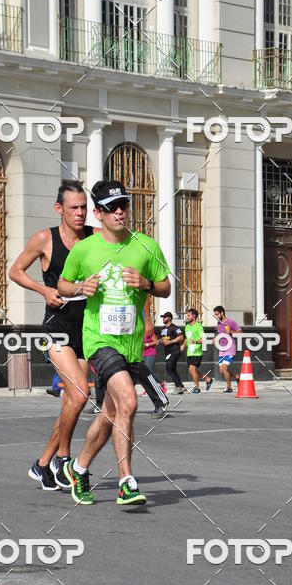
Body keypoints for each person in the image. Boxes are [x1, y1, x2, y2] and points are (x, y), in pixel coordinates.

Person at [58, 180, 171, 506]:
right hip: (99, 341)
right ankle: (127, 481)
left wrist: (147, 283)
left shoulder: (146, 246)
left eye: (123, 205)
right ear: (98, 213)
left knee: (111, 413)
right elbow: (63, 286)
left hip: (131, 343)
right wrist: (81, 287)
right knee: (130, 402)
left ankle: (79, 467)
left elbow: (165, 287)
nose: (119, 212)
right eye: (110, 208)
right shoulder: (85, 249)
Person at [9, 180, 95, 492]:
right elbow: (15, 270)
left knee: (74, 401)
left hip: (87, 329)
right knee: (81, 393)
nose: (80, 213)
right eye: (74, 207)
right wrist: (43, 289)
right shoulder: (45, 239)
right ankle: (63, 457)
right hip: (56, 327)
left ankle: (42, 464)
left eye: (84, 207)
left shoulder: (94, 238)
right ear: (59, 209)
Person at [213, 306, 242, 392]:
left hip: (230, 348)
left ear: (222, 313)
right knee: (222, 371)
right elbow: (221, 334)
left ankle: (229, 387)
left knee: (225, 368)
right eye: (215, 315)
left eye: (217, 314)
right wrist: (215, 339)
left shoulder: (231, 322)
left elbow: (240, 332)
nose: (216, 316)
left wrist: (231, 332)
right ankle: (237, 377)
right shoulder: (218, 323)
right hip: (222, 349)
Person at [160, 312, 185, 394]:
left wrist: (170, 342)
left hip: (175, 350)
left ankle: (178, 387)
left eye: (165, 317)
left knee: (170, 367)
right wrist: (159, 341)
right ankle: (181, 386)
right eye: (163, 317)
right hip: (167, 351)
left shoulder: (174, 328)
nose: (163, 319)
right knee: (171, 369)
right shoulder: (163, 328)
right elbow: (164, 339)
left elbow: (181, 337)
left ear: (170, 318)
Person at [182, 308, 206, 393]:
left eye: (188, 315)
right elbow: (187, 339)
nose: (187, 317)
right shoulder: (187, 327)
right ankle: (207, 379)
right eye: (187, 315)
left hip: (197, 352)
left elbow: (203, 339)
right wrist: (183, 345)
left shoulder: (198, 326)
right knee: (191, 371)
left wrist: (195, 342)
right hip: (189, 352)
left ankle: (197, 388)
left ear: (194, 316)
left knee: (193, 369)